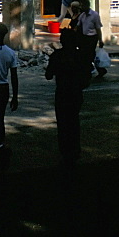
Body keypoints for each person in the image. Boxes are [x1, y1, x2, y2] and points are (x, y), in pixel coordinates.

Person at [45, 27, 90, 162]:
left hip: (62, 92)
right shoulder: (80, 56)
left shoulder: (57, 56)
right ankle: (75, 149)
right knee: (74, 121)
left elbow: (48, 75)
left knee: (63, 122)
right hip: (76, 92)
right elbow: (86, 78)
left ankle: (65, 150)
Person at [0, 22, 19, 151]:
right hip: (3, 88)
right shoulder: (10, 53)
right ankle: (0, 143)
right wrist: (15, 96)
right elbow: (14, 76)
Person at [76, 0, 106, 78]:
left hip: (92, 38)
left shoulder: (94, 15)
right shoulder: (82, 16)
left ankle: (90, 71)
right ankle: (99, 70)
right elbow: (78, 26)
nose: (81, 7)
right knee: (88, 56)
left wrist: (100, 40)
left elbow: (98, 28)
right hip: (84, 38)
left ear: (87, 6)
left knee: (89, 55)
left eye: (82, 6)